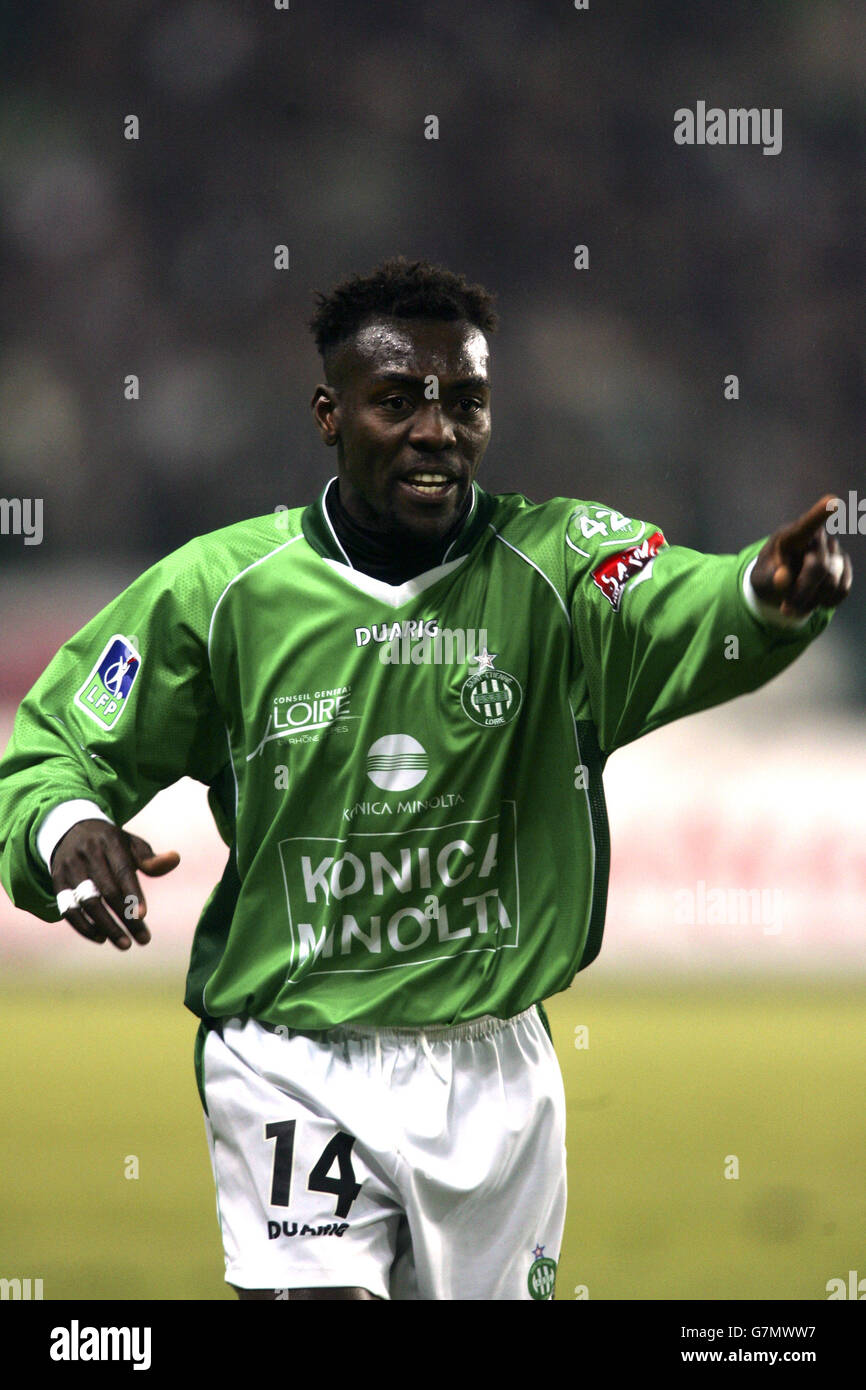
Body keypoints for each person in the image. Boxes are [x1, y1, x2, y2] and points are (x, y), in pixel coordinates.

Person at [0, 258, 852, 1302]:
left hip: (493, 1074)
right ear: (328, 413)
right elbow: (52, 748)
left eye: (465, 401)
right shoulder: (221, 593)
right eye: (396, 401)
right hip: (291, 1056)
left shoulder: (560, 569)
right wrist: (64, 828)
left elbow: (683, 602)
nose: (435, 429)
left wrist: (765, 596)